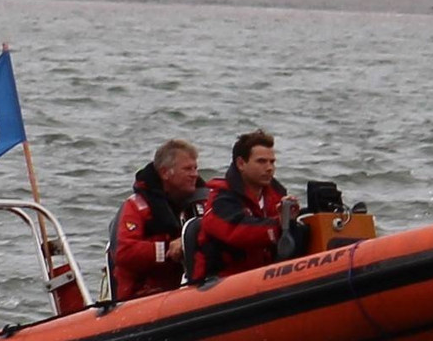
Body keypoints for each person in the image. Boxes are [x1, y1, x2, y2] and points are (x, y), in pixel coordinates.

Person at [192, 129, 300, 281]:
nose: (269, 168)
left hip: (261, 276)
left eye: (272, 162)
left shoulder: (276, 194)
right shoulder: (221, 199)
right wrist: (278, 224)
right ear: (241, 163)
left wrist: (294, 219)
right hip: (222, 280)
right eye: (261, 161)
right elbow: (236, 231)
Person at [108, 139, 205, 301]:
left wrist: (185, 243)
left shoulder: (200, 203)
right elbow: (124, 252)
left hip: (184, 290)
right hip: (141, 296)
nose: (194, 174)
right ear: (165, 173)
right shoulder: (137, 207)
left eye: (195, 168)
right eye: (187, 169)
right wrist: (169, 249)